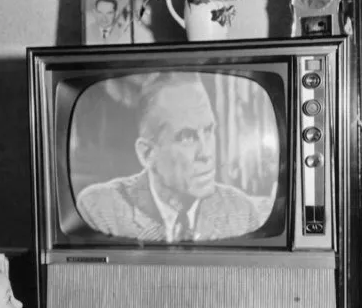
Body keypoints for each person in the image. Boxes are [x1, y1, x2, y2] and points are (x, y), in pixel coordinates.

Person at [76, 73, 261, 241]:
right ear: (147, 154)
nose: (206, 154)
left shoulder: (242, 213)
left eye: (209, 130)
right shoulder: (101, 210)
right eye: (187, 137)